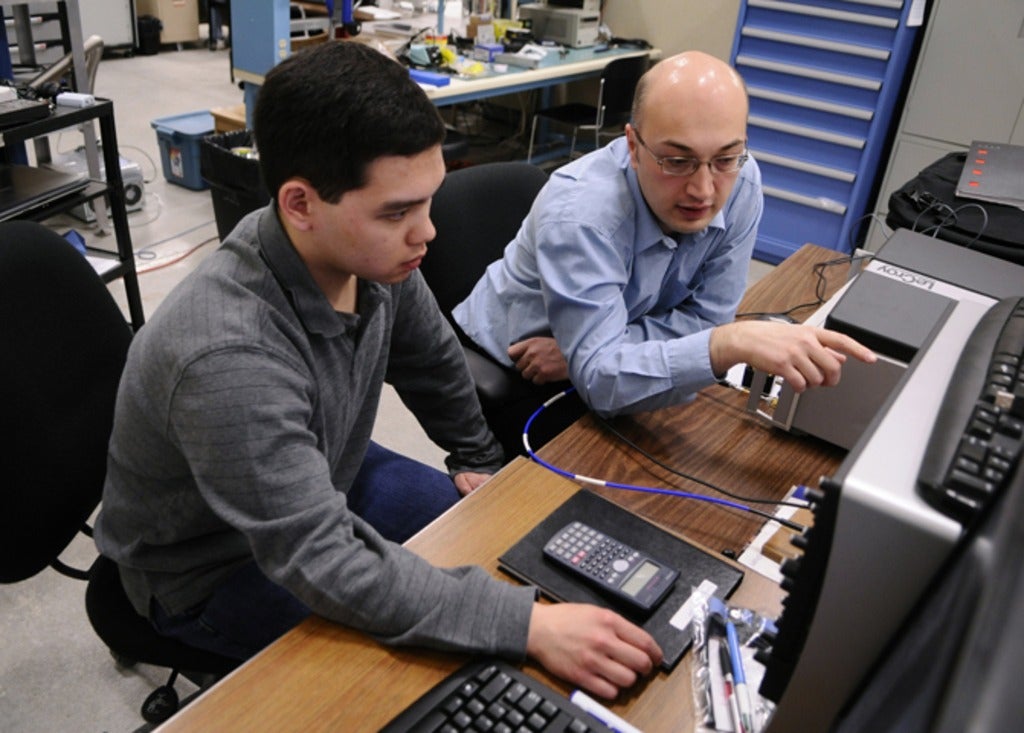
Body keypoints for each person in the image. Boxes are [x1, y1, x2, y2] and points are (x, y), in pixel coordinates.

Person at [93, 41, 661, 700]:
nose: (427, 233)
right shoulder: (226, 356)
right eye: (397, 211)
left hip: (325, 475)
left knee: (497, 546)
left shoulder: (366, 255)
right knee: (432, 670)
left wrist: (478, 458)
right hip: (212, 567)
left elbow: (431, 360)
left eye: (427, 202)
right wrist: (526, 626)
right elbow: (321, 558)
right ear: (300, 203)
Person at [454, 51, 876, 455]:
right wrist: (724, 344)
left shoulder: (742, 182)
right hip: (515, 365)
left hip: (584, 355)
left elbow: (706, 318)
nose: (704, 191)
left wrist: (603, 352)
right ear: (633, 147)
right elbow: (604, 383)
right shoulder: (582, 216)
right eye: (677, 161)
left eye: (726, 157)